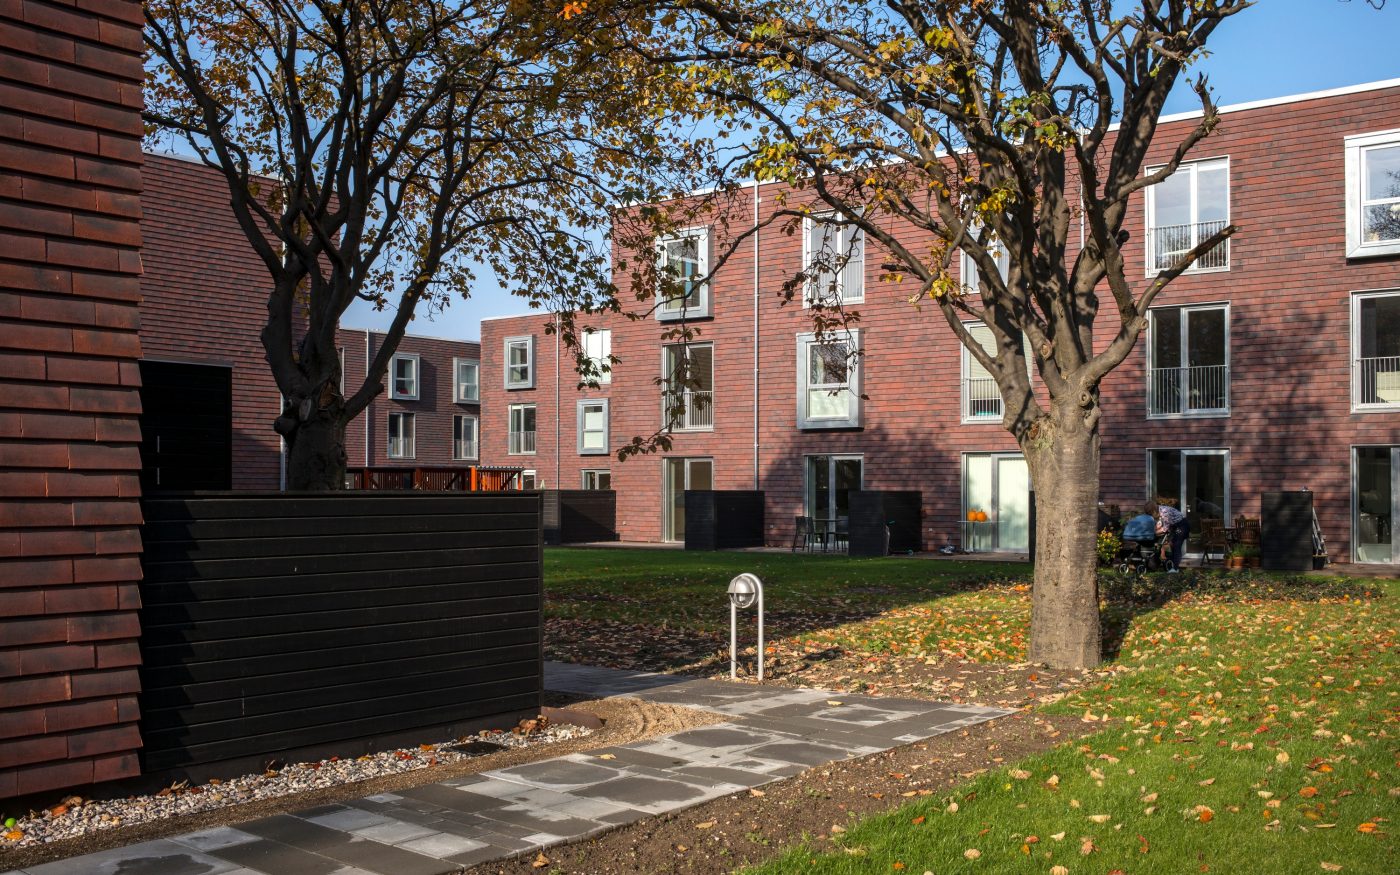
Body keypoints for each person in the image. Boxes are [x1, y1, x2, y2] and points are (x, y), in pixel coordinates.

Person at [1153, 500, 1189, 571]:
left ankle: (1175, 569)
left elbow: (1165, 529)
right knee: (1172, 545)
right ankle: (1172, 566)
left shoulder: (1164, 511)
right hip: (1175, 526)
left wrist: (1153, 532)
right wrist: (1155, 528)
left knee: (1176, 546)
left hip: (1182, 525)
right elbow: (1161, 523)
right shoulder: (1159, 510)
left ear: (1153, 510)